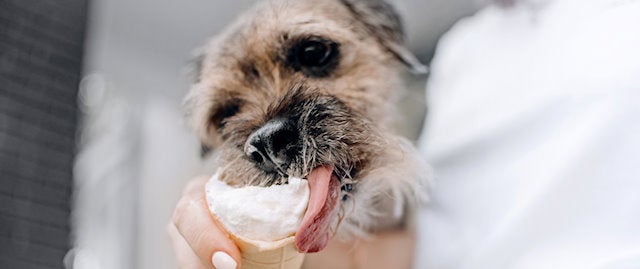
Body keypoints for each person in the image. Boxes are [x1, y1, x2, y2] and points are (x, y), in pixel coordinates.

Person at [169, 0, 640, 268]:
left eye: (315, 54)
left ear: (385, 40)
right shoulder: (464, 49)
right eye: (227, 113)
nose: (267, 134)